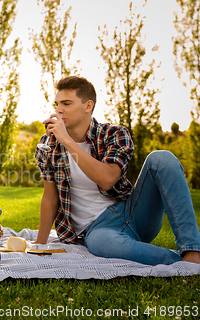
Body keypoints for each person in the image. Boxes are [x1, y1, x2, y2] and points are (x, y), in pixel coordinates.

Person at [34, 75, 200, 266]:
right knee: (100, 243)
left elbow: (107, 178)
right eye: (57, 104)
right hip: (98, 230)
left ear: (88, 106)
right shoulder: (49, 145)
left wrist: (68, 142)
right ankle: (182, 262)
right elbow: (49, 197)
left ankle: (193, 250)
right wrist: (39, 243)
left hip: (133, 213)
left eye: (66, 103)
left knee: (161, 158)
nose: (58, 110)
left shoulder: (114, 134)